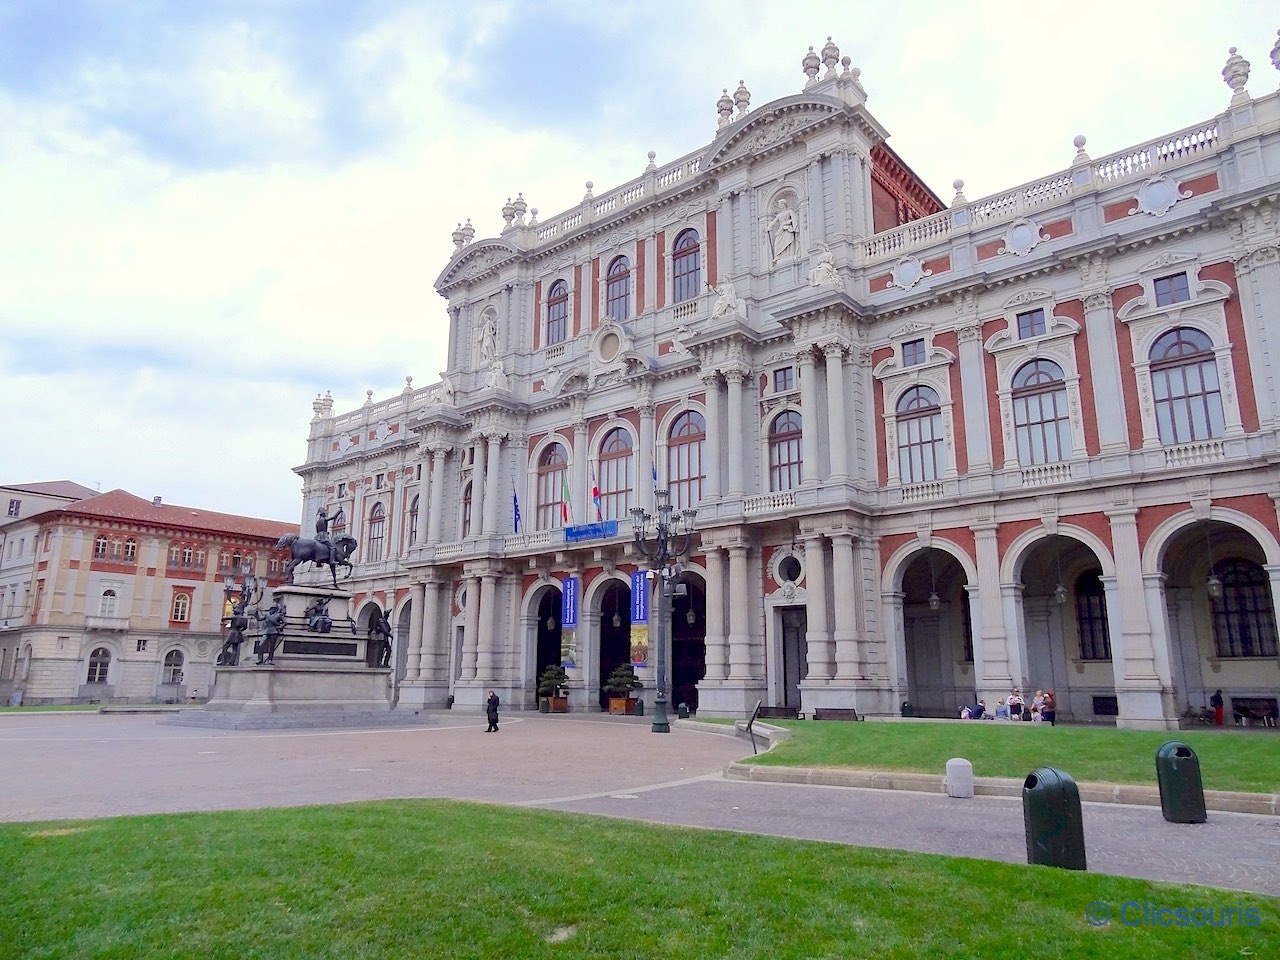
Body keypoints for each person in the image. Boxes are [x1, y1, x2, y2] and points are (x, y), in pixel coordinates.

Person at [255, 600, 287, 664]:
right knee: (261, 645)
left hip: (274, 631)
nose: (272, 609)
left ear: (275, 609)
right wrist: (256, 613)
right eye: (271, 608)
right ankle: (260, 659)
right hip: (266, 631)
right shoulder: (267, 615)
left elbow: (285, 622)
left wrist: (280, 627)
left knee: (271, 647)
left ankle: (270, 659)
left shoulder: (278, 615)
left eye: (273, 608)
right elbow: (259, 619)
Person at [219, 602, 249, 666]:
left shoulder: (234, 617)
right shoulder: (245, 618)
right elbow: (245, 627)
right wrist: (240, 630)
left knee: (225, 647)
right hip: (238, 633)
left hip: (233, 632)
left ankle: (223, 661)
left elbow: (226, 618)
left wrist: (223, 619)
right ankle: (232, 662)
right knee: (235, 648)